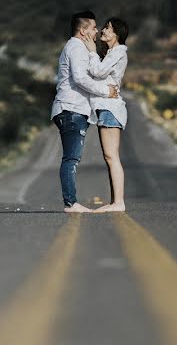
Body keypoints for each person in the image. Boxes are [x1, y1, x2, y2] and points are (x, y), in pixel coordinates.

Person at [50, 11, 120, 213]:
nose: (97, 31)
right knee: (71, 158)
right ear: (83, 31)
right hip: (71, 109)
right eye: (93, 27)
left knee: (71, 157)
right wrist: (106, 91)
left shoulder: (77, 47)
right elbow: (81, 78)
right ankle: (71, 203)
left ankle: (71, 202)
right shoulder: (76, 48)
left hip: (71, 109)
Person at [84, 18, 129, 213]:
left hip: (111, 108)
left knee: (112, 157)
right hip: (106, 107)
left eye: (107, 28)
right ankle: (115, 202)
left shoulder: (118, 52)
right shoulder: (111, 53)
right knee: (109, 156)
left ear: (116, 34)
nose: (103, 30)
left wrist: (92, 52)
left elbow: (98, 72)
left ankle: (118, 203)